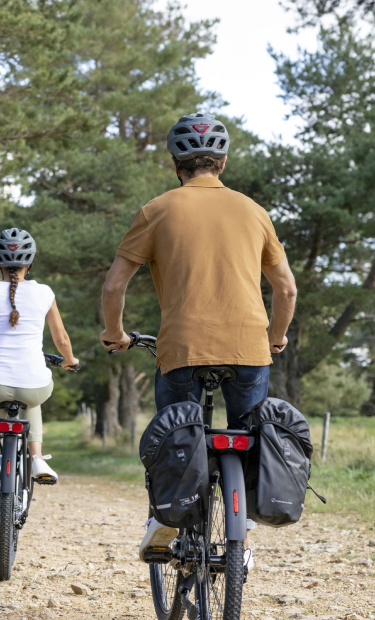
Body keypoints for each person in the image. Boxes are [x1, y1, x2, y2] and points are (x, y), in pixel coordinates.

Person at [100, 113, 297, 570]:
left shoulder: (156, 209)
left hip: (181, 349)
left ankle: (166, 519)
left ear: (176, 164)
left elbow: (113, 287)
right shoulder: (254, 211)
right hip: (249, 349)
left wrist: (116, 334)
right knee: (250, 435)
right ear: (222, 163)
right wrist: (275, 337)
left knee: (176, 434)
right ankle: (242, 540)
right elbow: (285, 289)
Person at [0, 228, 79, 551]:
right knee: (33, 394)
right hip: (33, 383)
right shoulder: (43, 292)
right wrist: (69, 360)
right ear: (30, 261)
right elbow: (62, 338)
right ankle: (37, 457)